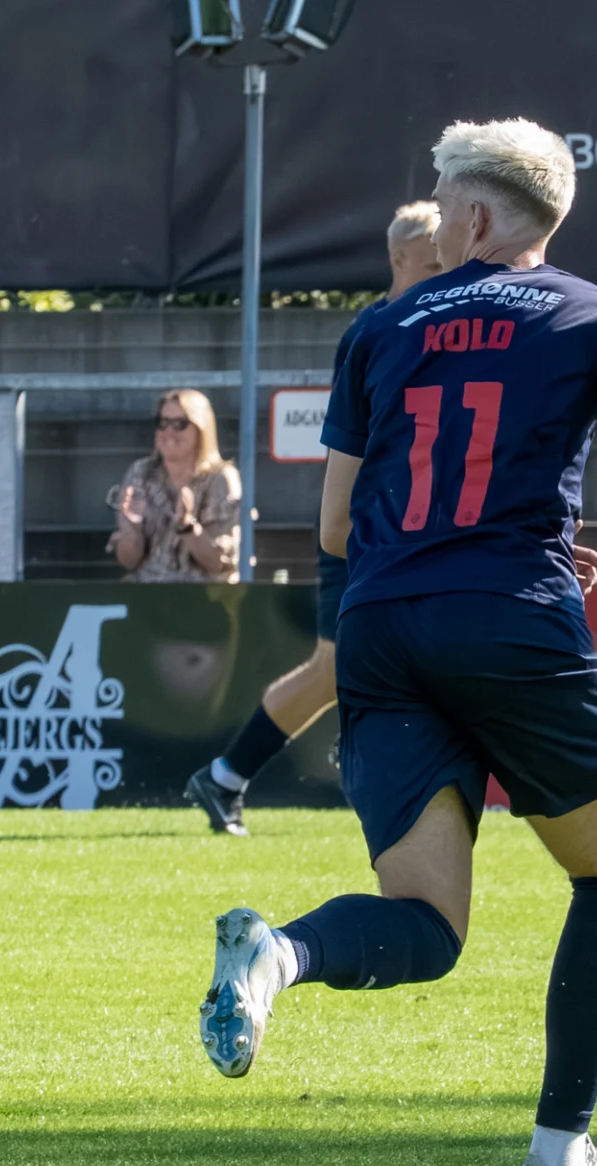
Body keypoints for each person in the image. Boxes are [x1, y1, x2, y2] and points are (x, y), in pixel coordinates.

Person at [194, 119, 597, 1166]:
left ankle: (280, 955)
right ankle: (555, 1163)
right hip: (511, 616)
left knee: (426, 924)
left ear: (475, 217)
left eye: (441, 196)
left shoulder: (381, 325)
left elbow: (337, 519)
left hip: (382, 624)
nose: (434, 213)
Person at [186, 200, 444, 836]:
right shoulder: (376, 330)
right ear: (398, 257)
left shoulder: (438, 322)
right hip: (364, 523)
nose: (447, 264)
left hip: (408, 521)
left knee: (348, 667)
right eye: (434, 256)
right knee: (338, 668)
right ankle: (270, 768)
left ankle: (228, 777)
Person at [108, 390, 241, 583]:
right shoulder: (141, 472)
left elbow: (219, 563)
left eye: (180, 424)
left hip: (204, 596)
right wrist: (133, 529)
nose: (168, 432)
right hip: (150, 590)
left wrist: (187, 525)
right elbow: (127, 561)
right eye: (163, 423)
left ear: (201, 429)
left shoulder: (221, 479)